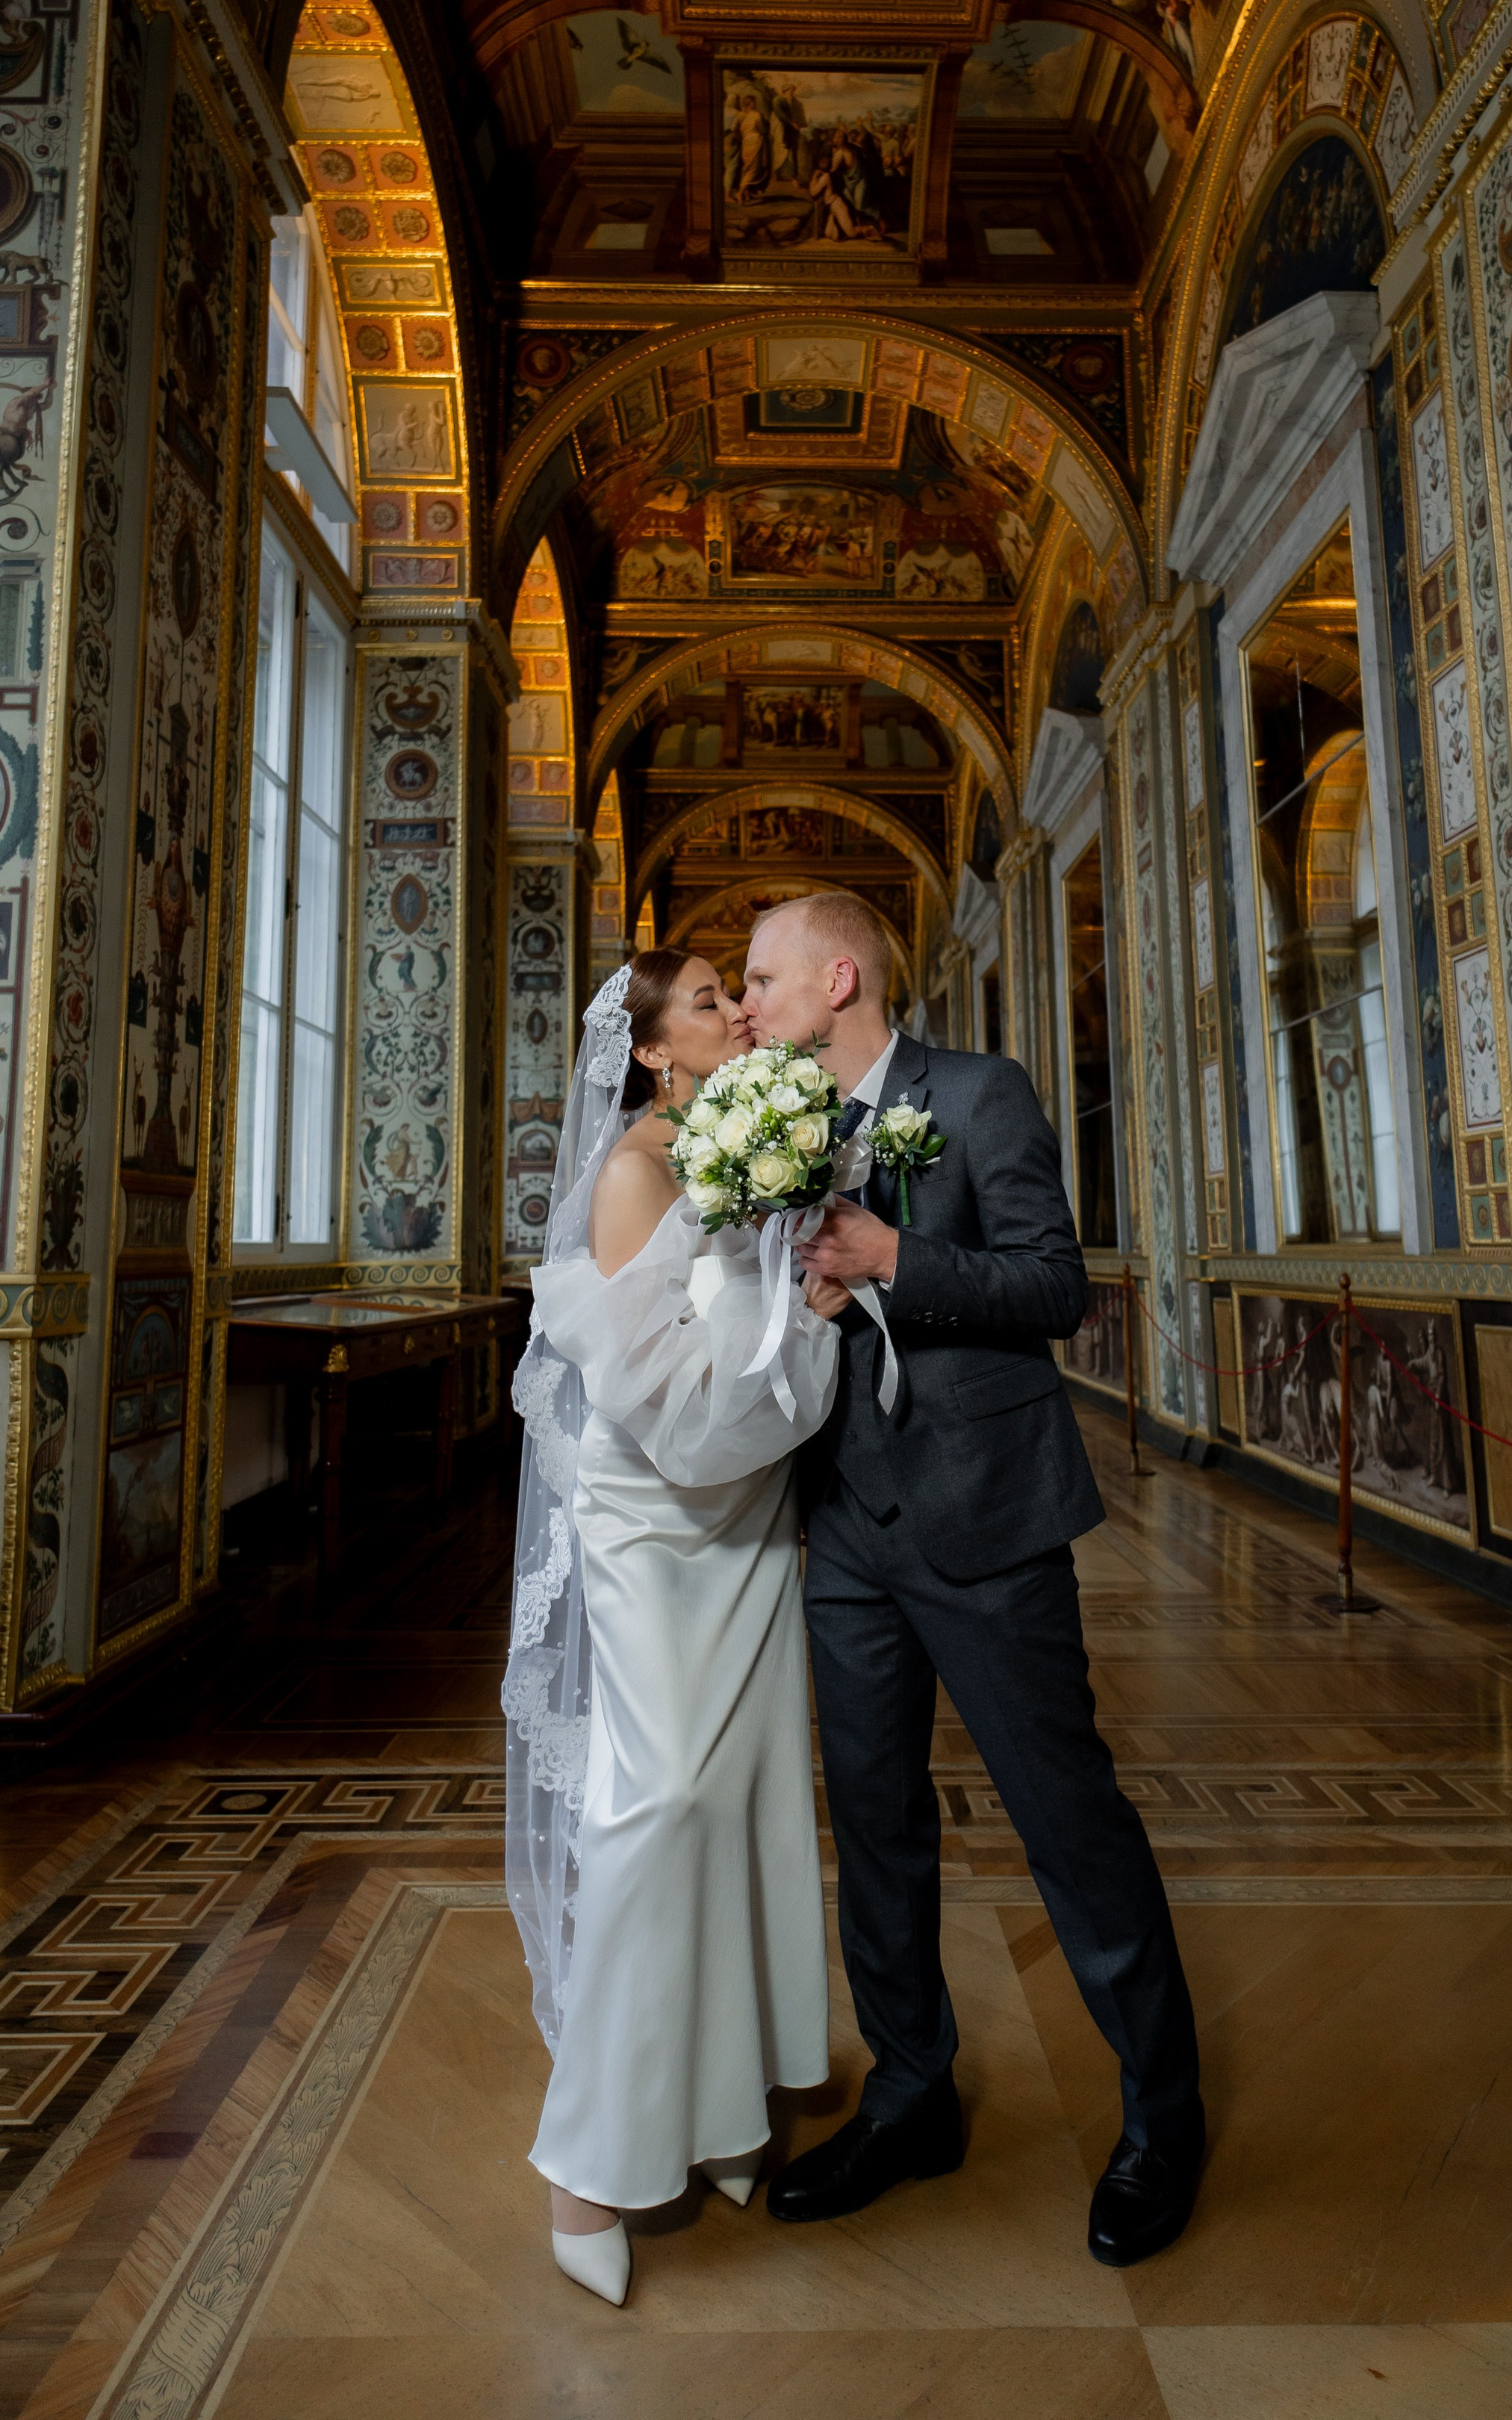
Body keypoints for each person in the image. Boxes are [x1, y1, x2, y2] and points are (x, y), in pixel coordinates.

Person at [740, 890, 1203, 2268]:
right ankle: (910, 2095)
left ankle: (1164, 2120)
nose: (752, 1004)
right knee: (876, 1832)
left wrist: (896, 1260)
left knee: (1070, 1823)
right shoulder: (779, 1127)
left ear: (843, 977)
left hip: (989, 1522)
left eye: (765, 979)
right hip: (847, 1530)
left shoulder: (979, 1092)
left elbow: (1054, 1287)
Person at [505, 947, 847, 2308]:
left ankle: (718, 2111)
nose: (738, 1011)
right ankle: (584, 2163)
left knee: (753, 1798)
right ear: (653, 1052)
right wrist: (812, 1333)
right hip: (661, 1522)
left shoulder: (745, 1148)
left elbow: (740, 1345)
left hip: (750, 1521)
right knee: (661, 1806)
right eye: (710, 1000)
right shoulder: (639, 1172)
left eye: (735, 991)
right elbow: (667, 1401)